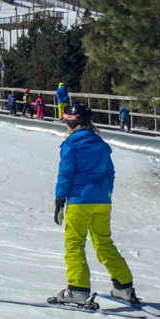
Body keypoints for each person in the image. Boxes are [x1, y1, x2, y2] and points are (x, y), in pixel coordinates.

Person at [51, 105, 139, 305]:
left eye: (67, 122)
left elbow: (66, 173)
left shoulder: (71, 145)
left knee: (74, 244)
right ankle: (123, 286)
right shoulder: (100, 144)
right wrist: (105, 192)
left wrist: (59, 199)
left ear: (73, 123)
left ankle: (78, 290)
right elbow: (110, 172)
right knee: (103, 242)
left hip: (79, 201)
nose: (66, 126)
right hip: (102, 202)